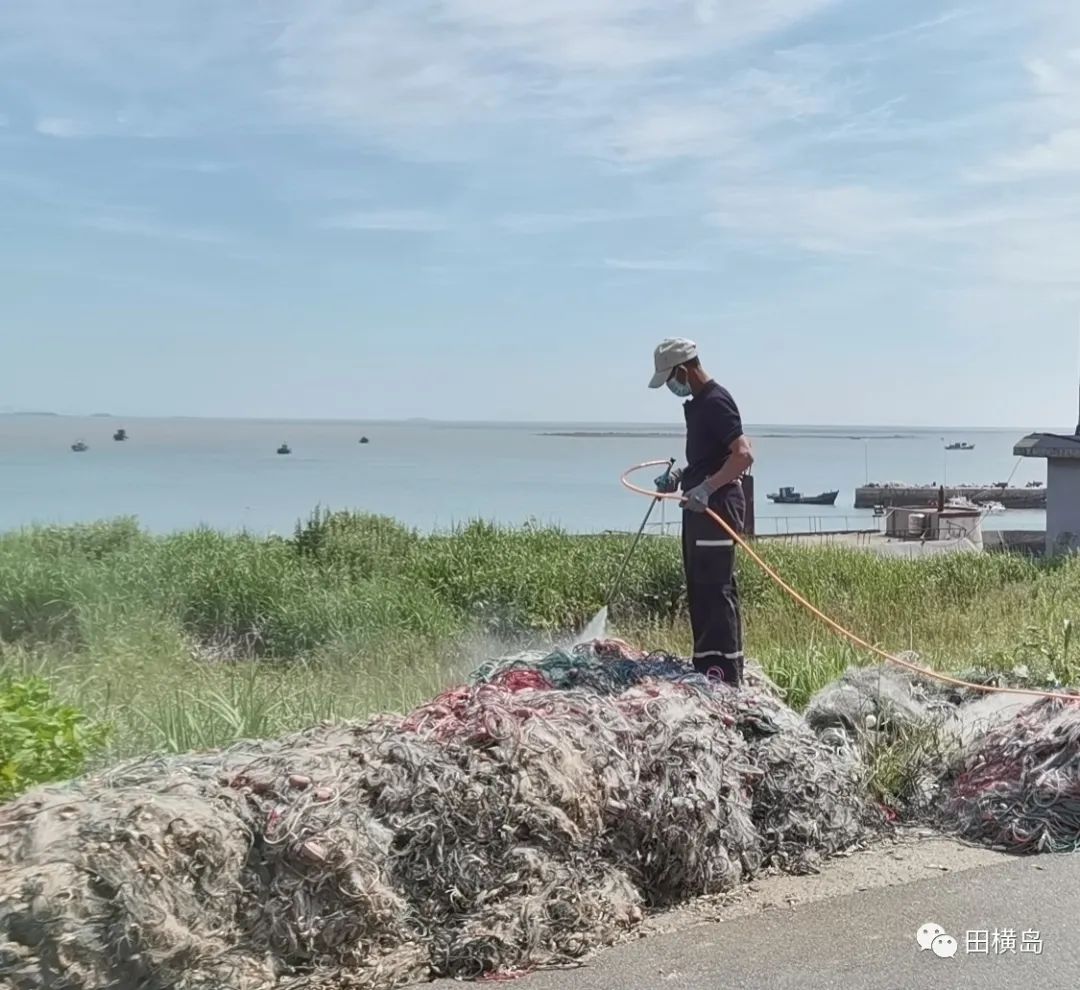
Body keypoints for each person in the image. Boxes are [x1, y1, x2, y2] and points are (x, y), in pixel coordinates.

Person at [648, 338, 754, 685]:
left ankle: (724, 674)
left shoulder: (716, 401)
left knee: (714, 590)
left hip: (718, 508)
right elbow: (708, 459)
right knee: (699, 588)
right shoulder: (699, 405)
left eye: (670, 380)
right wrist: (680, 477)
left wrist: (708, 488)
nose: (671, 388)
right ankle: (706, 666)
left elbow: (742, 455)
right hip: (701, 508)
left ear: (683, 370)